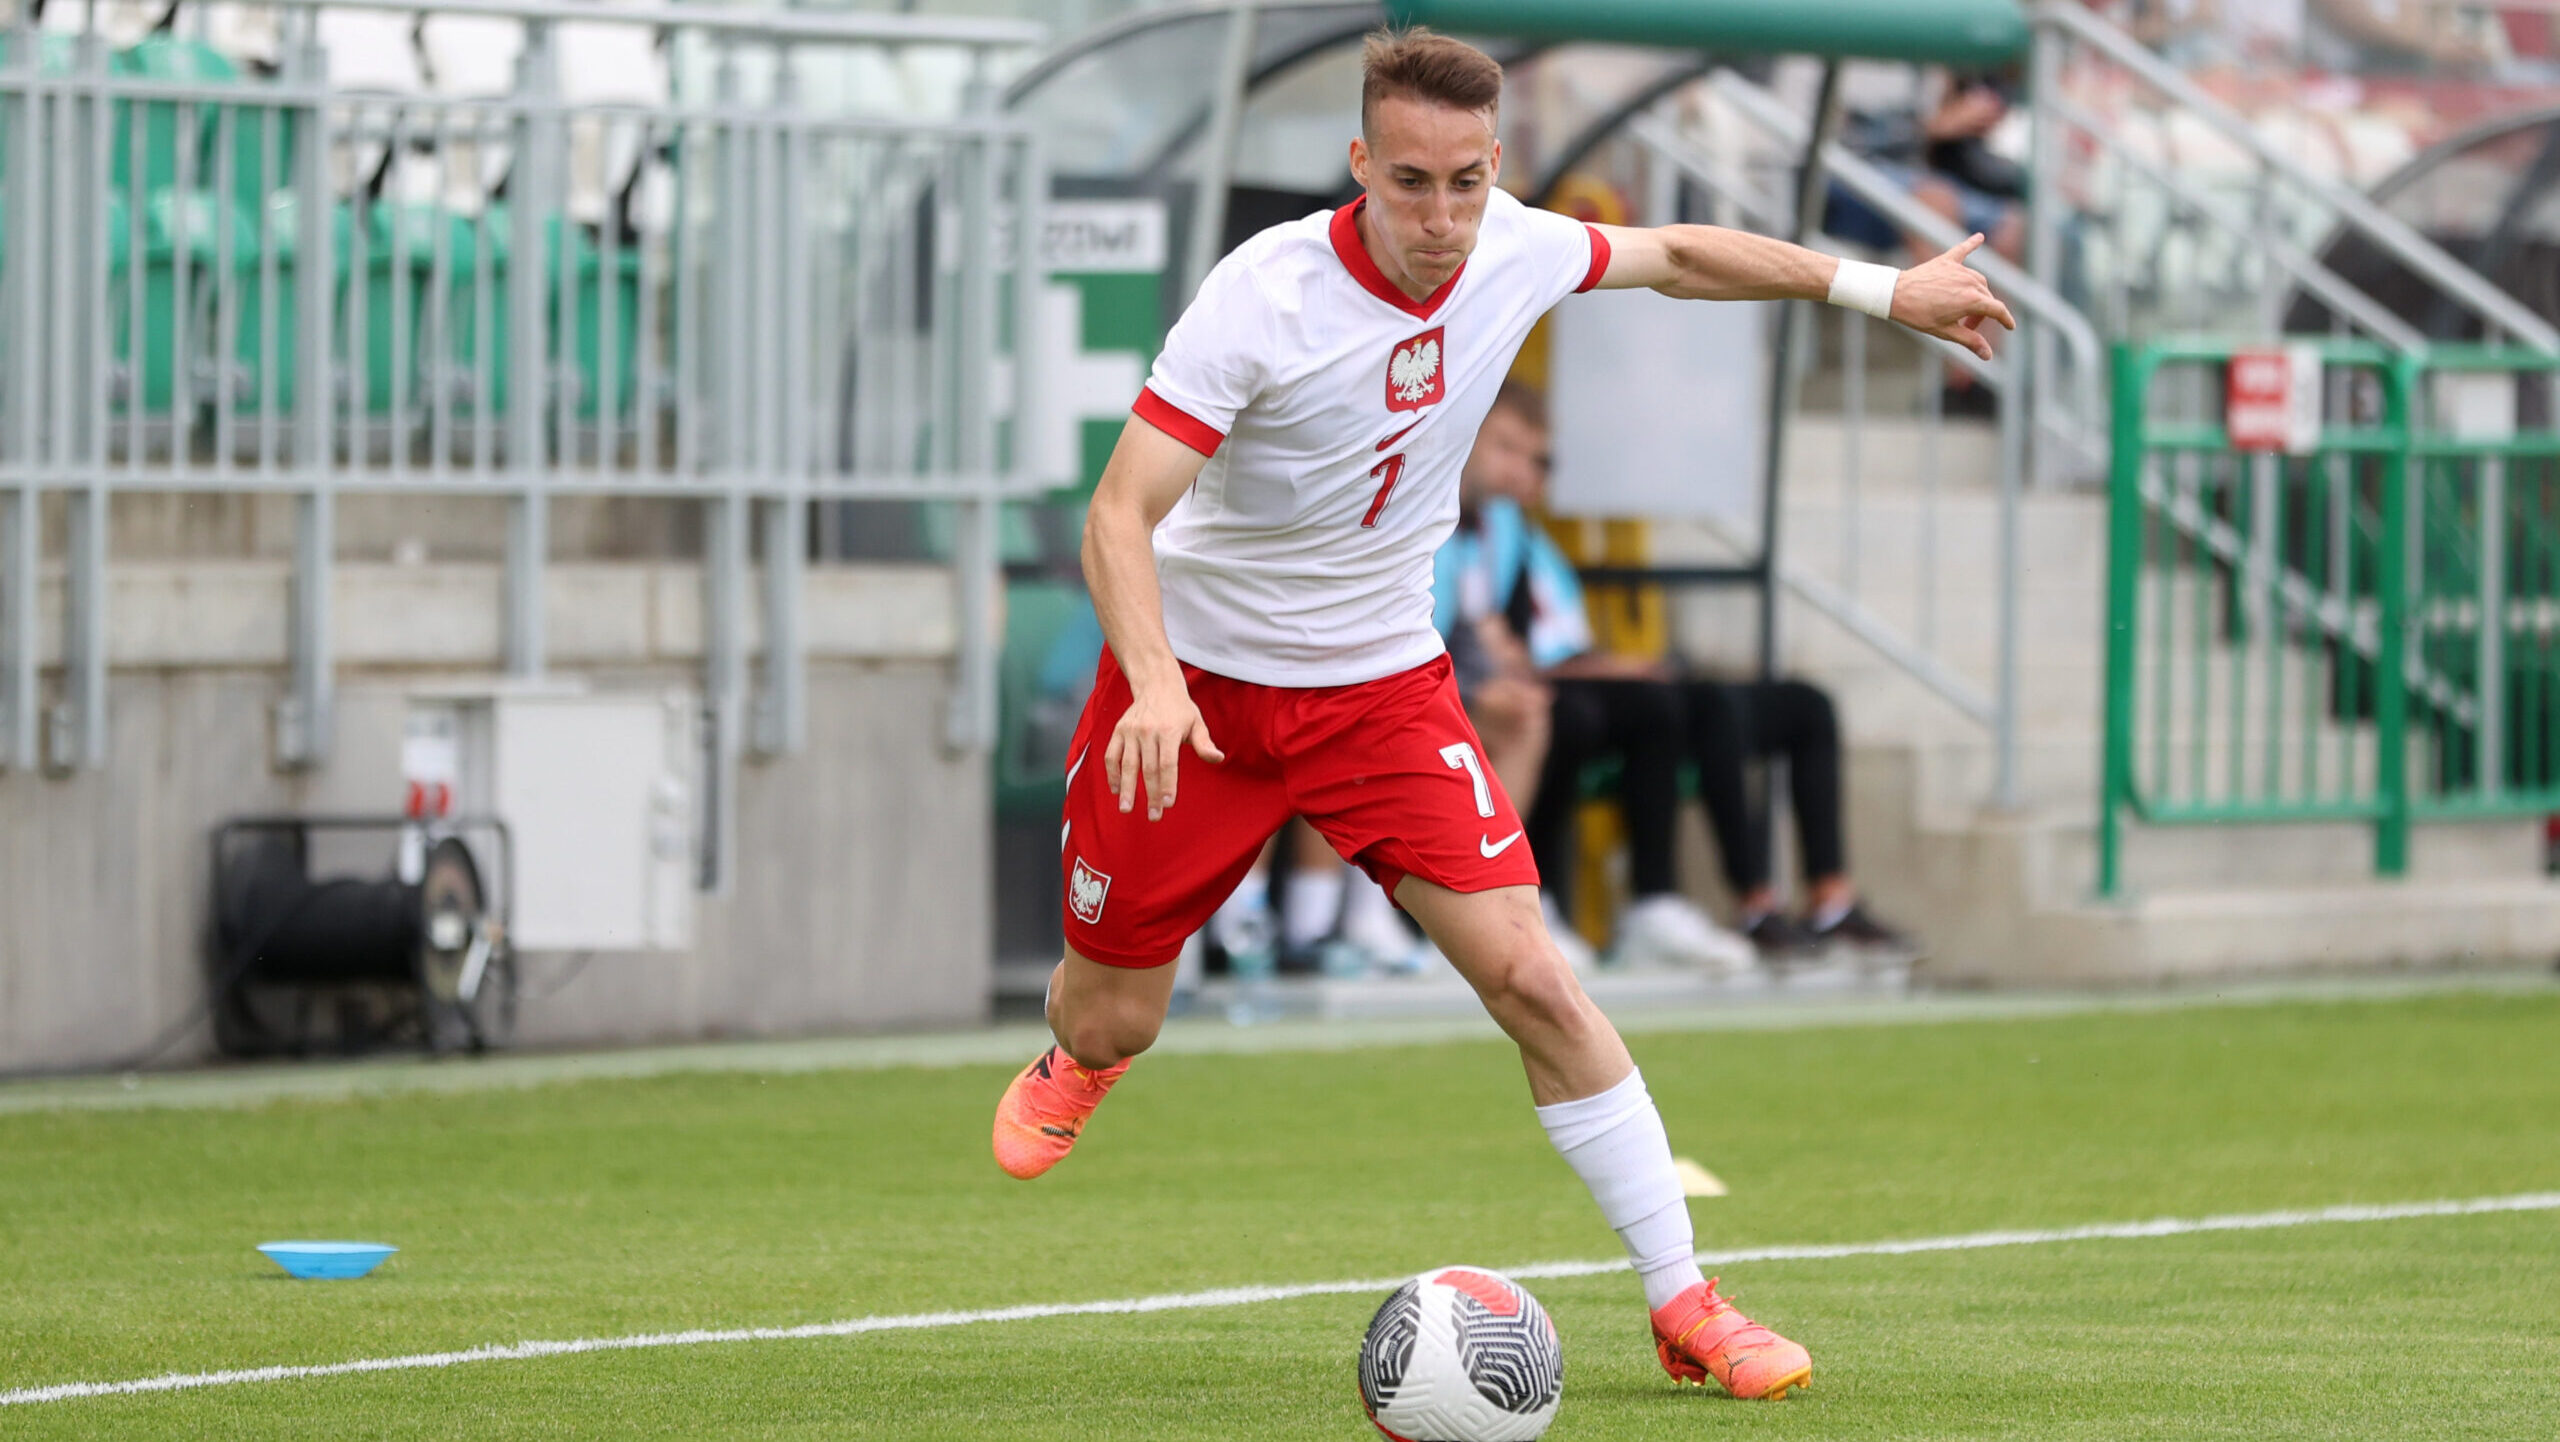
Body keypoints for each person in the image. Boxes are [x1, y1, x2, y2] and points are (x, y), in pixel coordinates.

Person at [991, 26, 2010, 1403]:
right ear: (1359, 164)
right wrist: (1158, 683)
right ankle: (1078, 1045)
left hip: (1379, 691)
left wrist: (1885, 289)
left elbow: (1681, 257)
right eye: (1411, 182)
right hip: (1199, 689)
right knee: (1121, 1016)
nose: (1443, 217)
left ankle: (1685, 1299)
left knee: (1532, 975)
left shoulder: (1513, 246)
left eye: (1469, 181)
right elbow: (1120, 513)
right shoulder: (1263, 296)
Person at [1435, 383, 1753, 974]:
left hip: (1481, 689)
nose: (1522, 471)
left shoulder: (1503, 526)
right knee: (1561, 714)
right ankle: (1512, 902)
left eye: (1535, 458)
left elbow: (1529, 641)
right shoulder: (1429, 513)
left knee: (1656, 706)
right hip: (1419, 695)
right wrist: (1492, 679)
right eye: (1507, 448)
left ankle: (1646, 904)